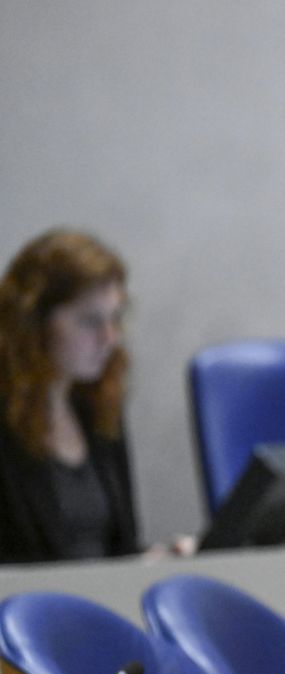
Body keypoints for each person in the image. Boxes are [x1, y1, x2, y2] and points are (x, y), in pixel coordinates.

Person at [0, 229, 142, 563]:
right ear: (34, 324)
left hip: (101, 605)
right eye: (90, 321)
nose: (109, 337)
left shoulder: (99, 409)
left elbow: (122, 547)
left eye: (115, 318)